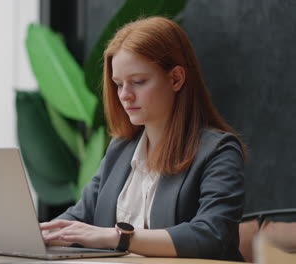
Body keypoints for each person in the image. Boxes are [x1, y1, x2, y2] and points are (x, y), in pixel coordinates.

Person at [40, 16, 246, 261]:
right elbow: (80, 216)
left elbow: (213, 235)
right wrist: (37, 234)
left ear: (176, 79)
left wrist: (118, 237)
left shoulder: (218, 151)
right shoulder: (120, 149)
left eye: (138, 82)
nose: (125, 95)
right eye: (118, 84)